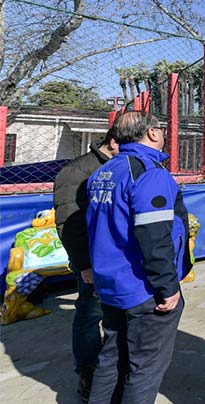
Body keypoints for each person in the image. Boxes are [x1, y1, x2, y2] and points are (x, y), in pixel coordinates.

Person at [85, 111, 192, 404]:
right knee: (144, 369)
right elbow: (154, 237)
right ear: (153, 134)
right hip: (143, 289)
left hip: (111, 285)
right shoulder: (149, 173)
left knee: (111, 359)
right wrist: (168, 287)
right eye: (162, 129)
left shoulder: (102, 173)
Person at [53, 129, 119, 402]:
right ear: (114, 142)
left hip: (117, 260)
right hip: (91, 261)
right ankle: (88, 371)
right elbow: (68, 223)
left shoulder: (120, 167)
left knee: (116, 314)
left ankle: (111, 367)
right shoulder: (76, 172)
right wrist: (84, 264)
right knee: (90, 313)